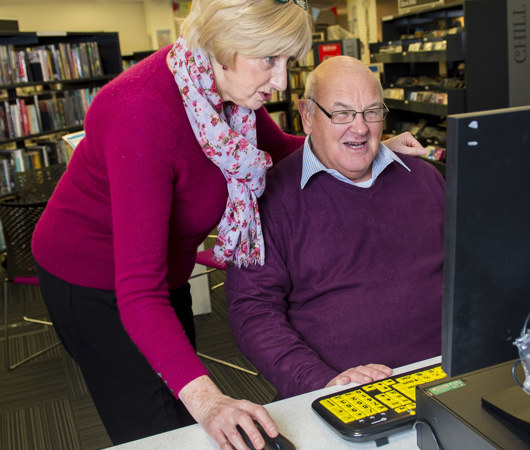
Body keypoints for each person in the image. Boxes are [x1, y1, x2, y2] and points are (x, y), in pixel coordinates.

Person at [30, 1, 423, 448]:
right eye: (269, 60)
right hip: (94, 280)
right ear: (221, 45)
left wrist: (363, 142)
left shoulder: (225, 96)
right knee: (157, 430)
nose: (279, 82)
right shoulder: (139, 111)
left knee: (181, 412)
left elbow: (285, 149)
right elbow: (138, 290)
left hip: (166, 272)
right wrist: (210, 401)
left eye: (287, 62)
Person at [225, 55, 445, 399]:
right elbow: (253, 311)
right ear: (307, 116)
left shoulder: (425, 180)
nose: (360, 128)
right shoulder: (268, 199)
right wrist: (322, 382)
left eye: (372, 112)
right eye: (342, 113)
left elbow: (473, 273)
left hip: (443, 379)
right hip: (338, 392)